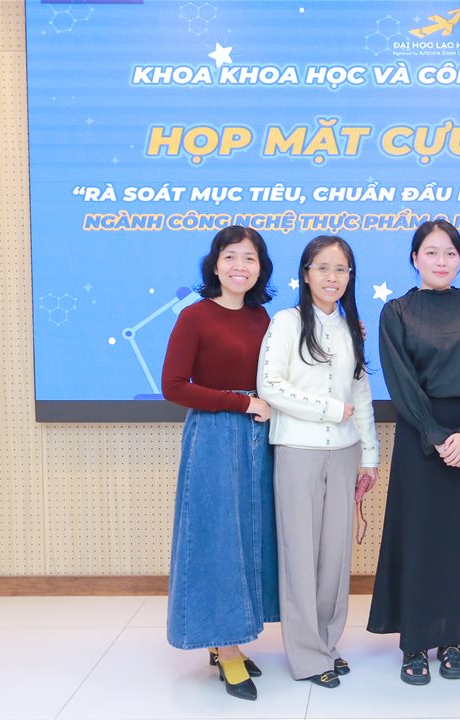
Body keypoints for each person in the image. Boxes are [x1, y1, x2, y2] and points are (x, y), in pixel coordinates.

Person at [367, 219, 460, 685]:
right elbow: (400, 380)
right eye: (431, 252)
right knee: (417, 534)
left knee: (459, 538)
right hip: (419, 434)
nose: (441, 261)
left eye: (450, 253)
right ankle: (414, 643)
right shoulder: (397, 311)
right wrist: (434, 432)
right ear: (414, 258)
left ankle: (452, 639)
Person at [161, 226, 279, 702]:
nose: (239, 266)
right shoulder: (194, 316)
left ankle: (228, 636)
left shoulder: (262, 317)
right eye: (230, 257)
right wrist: (240, 403)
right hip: (213, 437)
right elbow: (174, 386)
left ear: (260, 268)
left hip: (260, 436)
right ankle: (226, 648)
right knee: (217, 539)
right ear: (215, 264)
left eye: (249, 258)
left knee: (249, 537)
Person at [256, 236, 380, 689]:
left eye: (341, 269)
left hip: (344, 454)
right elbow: (270, 386)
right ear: (305, 273)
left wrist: (370, 455)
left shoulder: (351, 328)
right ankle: (307, 655)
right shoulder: (286, 322)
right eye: (322, 267)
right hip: (298, 452)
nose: (332, 277)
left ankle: (327, 643)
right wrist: (329, 409)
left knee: (335, 557)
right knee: (300, 555)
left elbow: (360, 394)